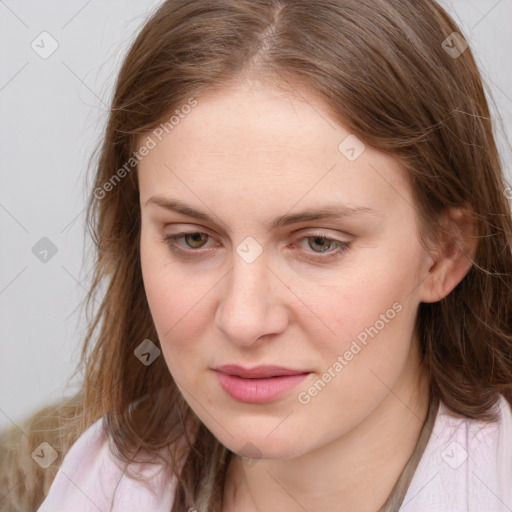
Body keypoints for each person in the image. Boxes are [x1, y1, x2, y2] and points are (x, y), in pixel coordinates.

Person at [1, 0, 511, 511]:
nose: (243, 321)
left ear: (444, 254)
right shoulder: (32, 478)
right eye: (193, 239)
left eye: (319, 243)